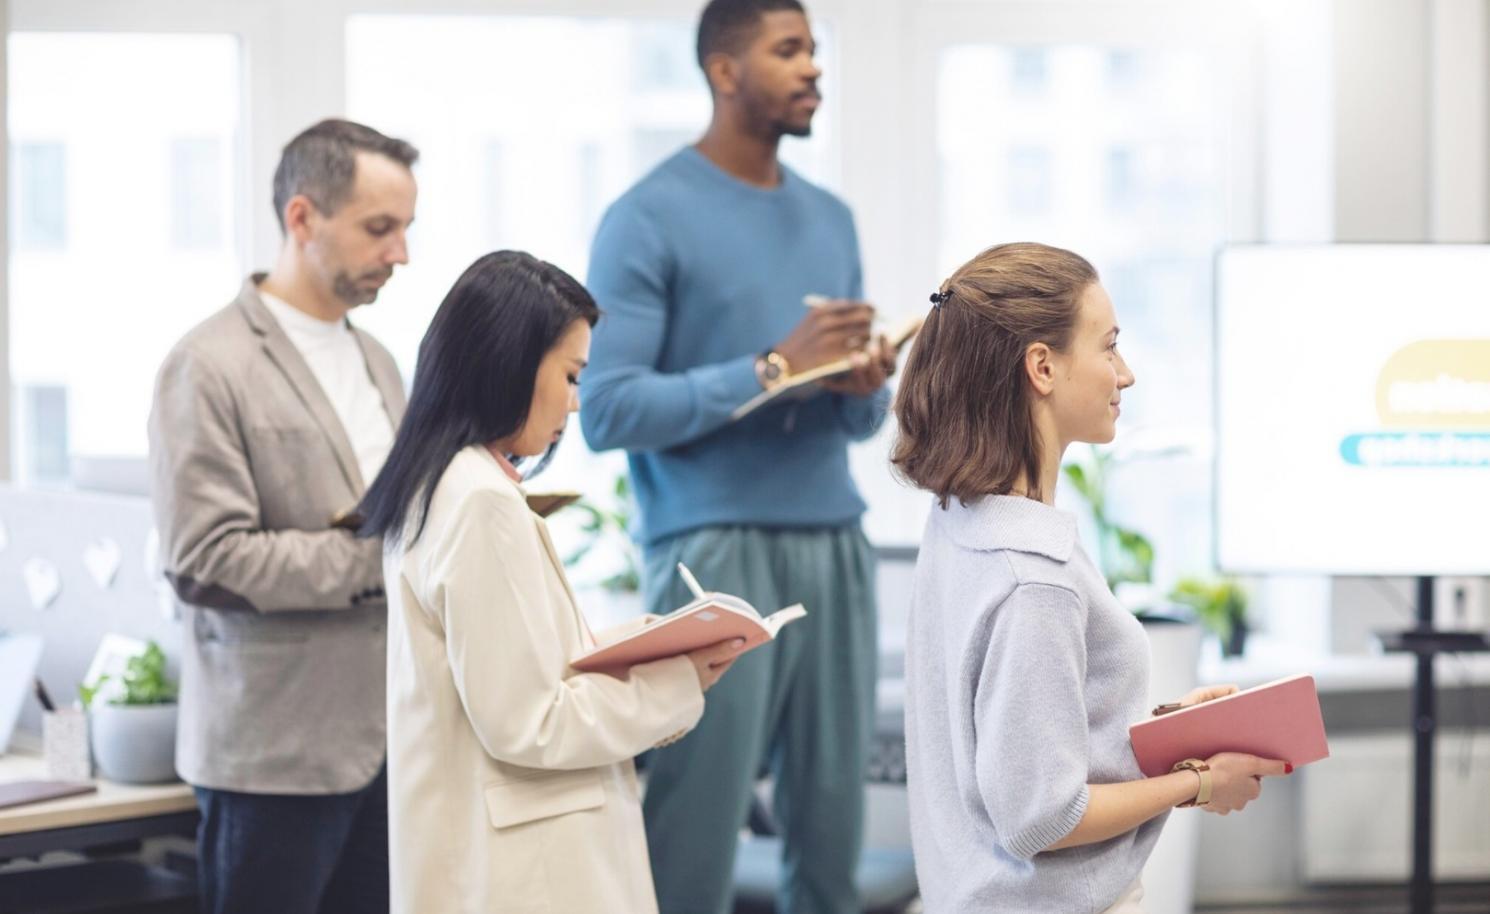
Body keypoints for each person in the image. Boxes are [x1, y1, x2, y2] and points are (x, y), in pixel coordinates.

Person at [580, 1, 899, 911]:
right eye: (788, 50)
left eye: (815, 50)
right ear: (725, 71)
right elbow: (604, 409)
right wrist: (771, 367)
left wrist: (854, 387)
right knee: (693, 833)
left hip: (835, 544)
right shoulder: (646, 216)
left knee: (833, 831)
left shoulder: (831, 219)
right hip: (709, 556)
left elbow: (850, 419)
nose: (813, 70)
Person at [893, 242, 1290, 913]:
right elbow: (1041, 819)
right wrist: (1197, 781)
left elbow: (1010, 741)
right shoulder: (1034, 581)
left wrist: (1170, 736)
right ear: (1042, 367)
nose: (1125, 374)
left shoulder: (964, 522)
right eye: (1108, 347)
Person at [357, 250, 746, 914]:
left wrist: (646, 643)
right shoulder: (479, 501)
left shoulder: (440, 483)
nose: (575, 401)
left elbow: (509, 670)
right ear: (508, 361)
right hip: (527, 871)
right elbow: (529, 722)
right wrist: (677, 682)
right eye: (570, 375)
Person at [148, 118, 417, 914]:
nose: (401, 252)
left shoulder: (379, 361)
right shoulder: (208, 365)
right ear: (302, 219)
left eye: (406, 228)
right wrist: (388, 553)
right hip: (272, 758)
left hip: (388, 746)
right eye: (380, 228)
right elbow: (206, 562)